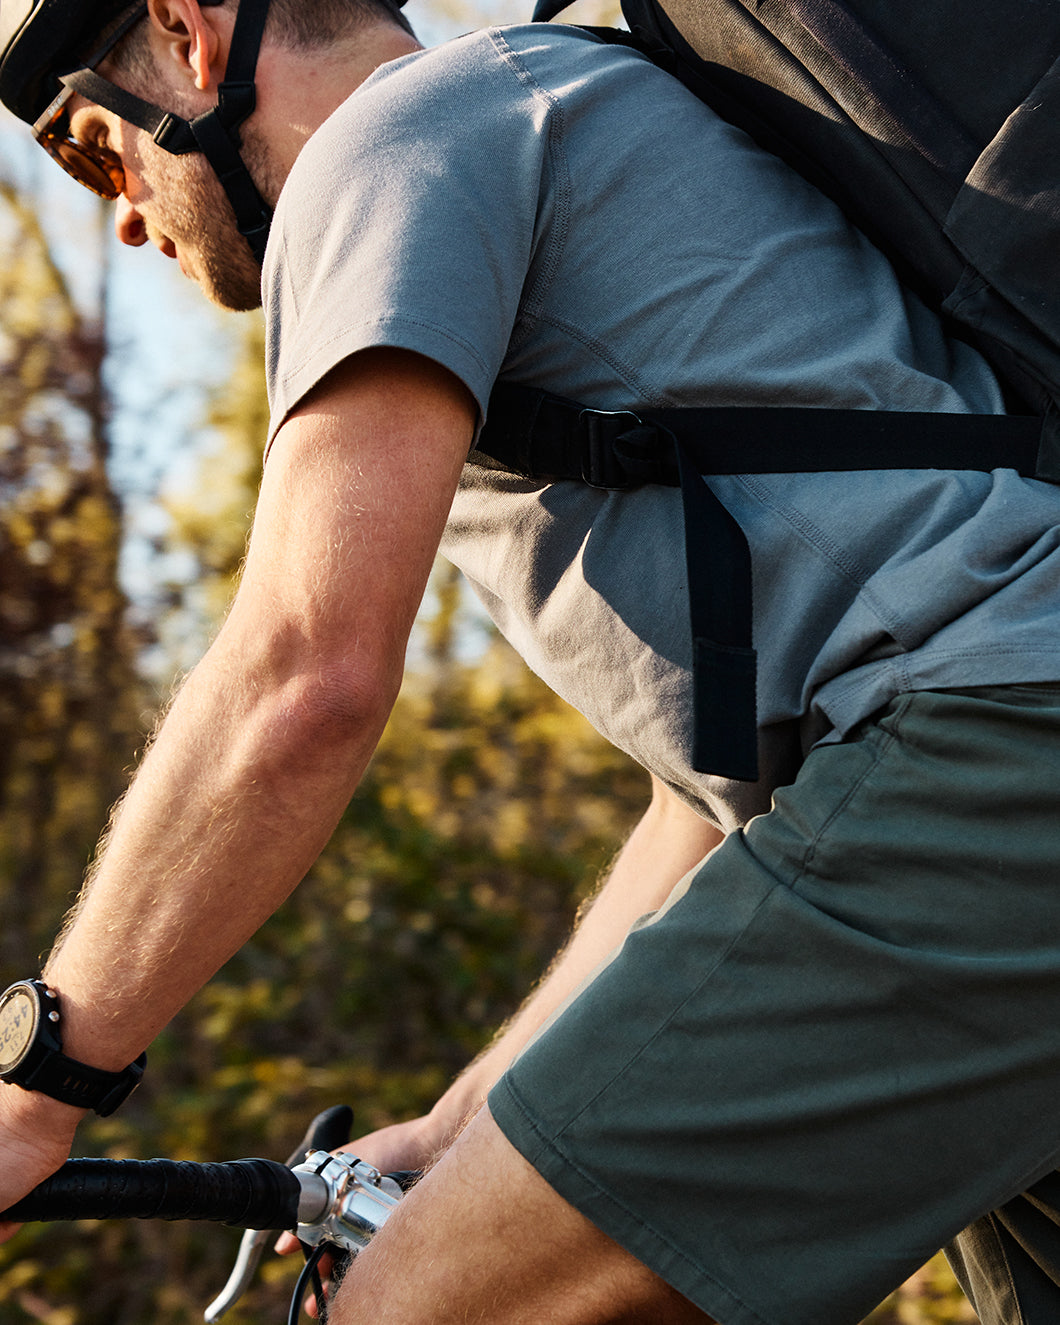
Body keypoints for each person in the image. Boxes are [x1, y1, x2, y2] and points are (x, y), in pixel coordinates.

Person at [2, 1, 1060, 1321]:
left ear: (188, 34)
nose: (120, 214)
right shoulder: (553, 119)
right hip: (989, 794)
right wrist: (459, 1125)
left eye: (97, 150)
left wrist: (37, 1079)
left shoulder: (391, 142)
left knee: (412, 1308)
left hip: (994, 766)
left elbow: (301, 674)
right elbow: (716, 802)